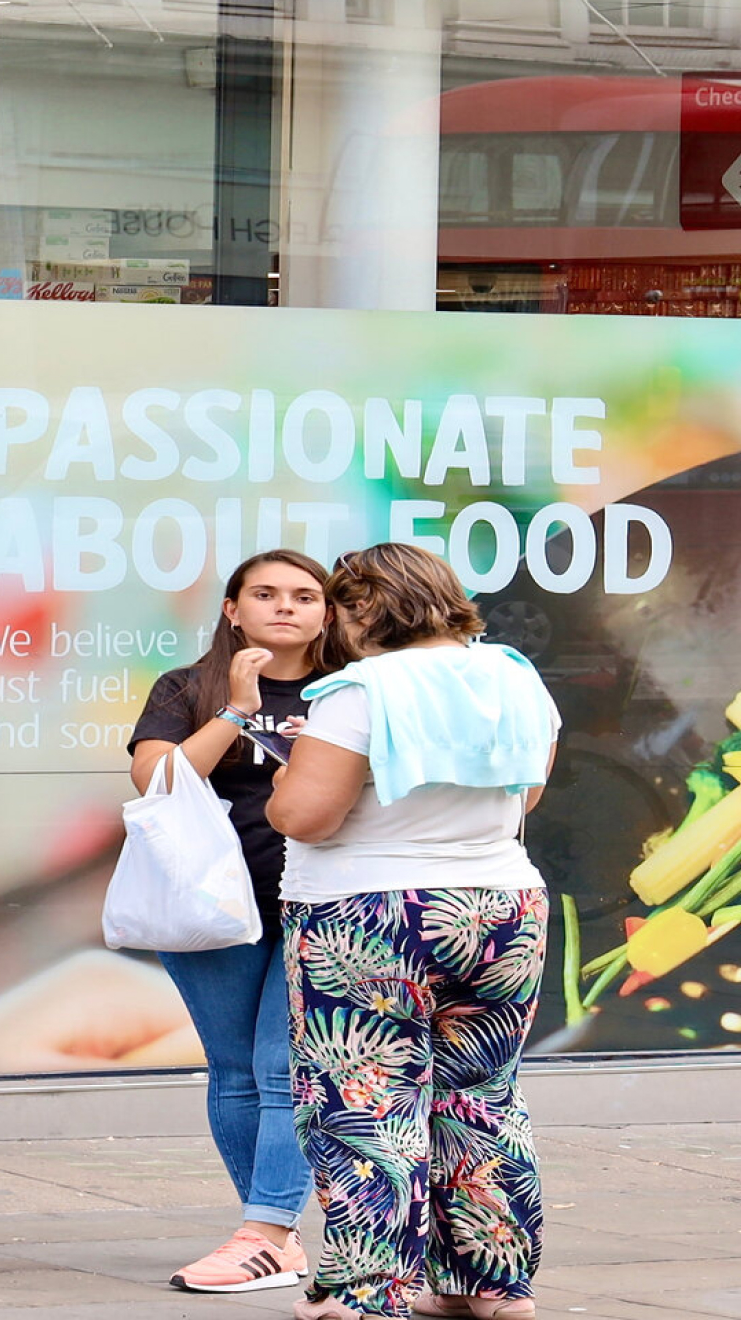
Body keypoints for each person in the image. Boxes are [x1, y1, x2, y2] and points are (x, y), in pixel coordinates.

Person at [266, 543, 562, 1320]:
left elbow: (306, 816)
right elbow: (526, 788)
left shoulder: (359, 689)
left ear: (364, 608)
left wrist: (283, 782)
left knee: (365, 1099)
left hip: (366, 915)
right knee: (481, 1097)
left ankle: (364, 1292)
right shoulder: (514, 677)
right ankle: (490, 1285)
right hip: (502, 908)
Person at [129, 549, 335, 1296]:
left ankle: (265, 1231)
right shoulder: (188, 686)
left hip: (320, 899)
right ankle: (270, 1234)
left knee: (285, 1070)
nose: (286, 606)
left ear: (327, 611)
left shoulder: (350, 688)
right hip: (210, 901)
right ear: (231, 608)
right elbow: (156, 779)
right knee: (235, 1070)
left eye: (305, 595)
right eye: (266, 593)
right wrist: (235, 711)